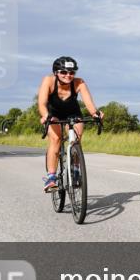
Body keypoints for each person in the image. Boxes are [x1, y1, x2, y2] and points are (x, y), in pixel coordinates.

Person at [38, 56, 103, 192]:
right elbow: (42, 103)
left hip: (73, 113)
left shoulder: (79, 83)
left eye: (72, 72)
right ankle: (51, 177)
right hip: (53, 114)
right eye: (64, 72)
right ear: (56, 72)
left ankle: (75, 171)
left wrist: (95, 114)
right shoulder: (49, 81)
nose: (68, 75)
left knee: (76, 140)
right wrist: (45, 116)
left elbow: (89, 105)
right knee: (55, 140)